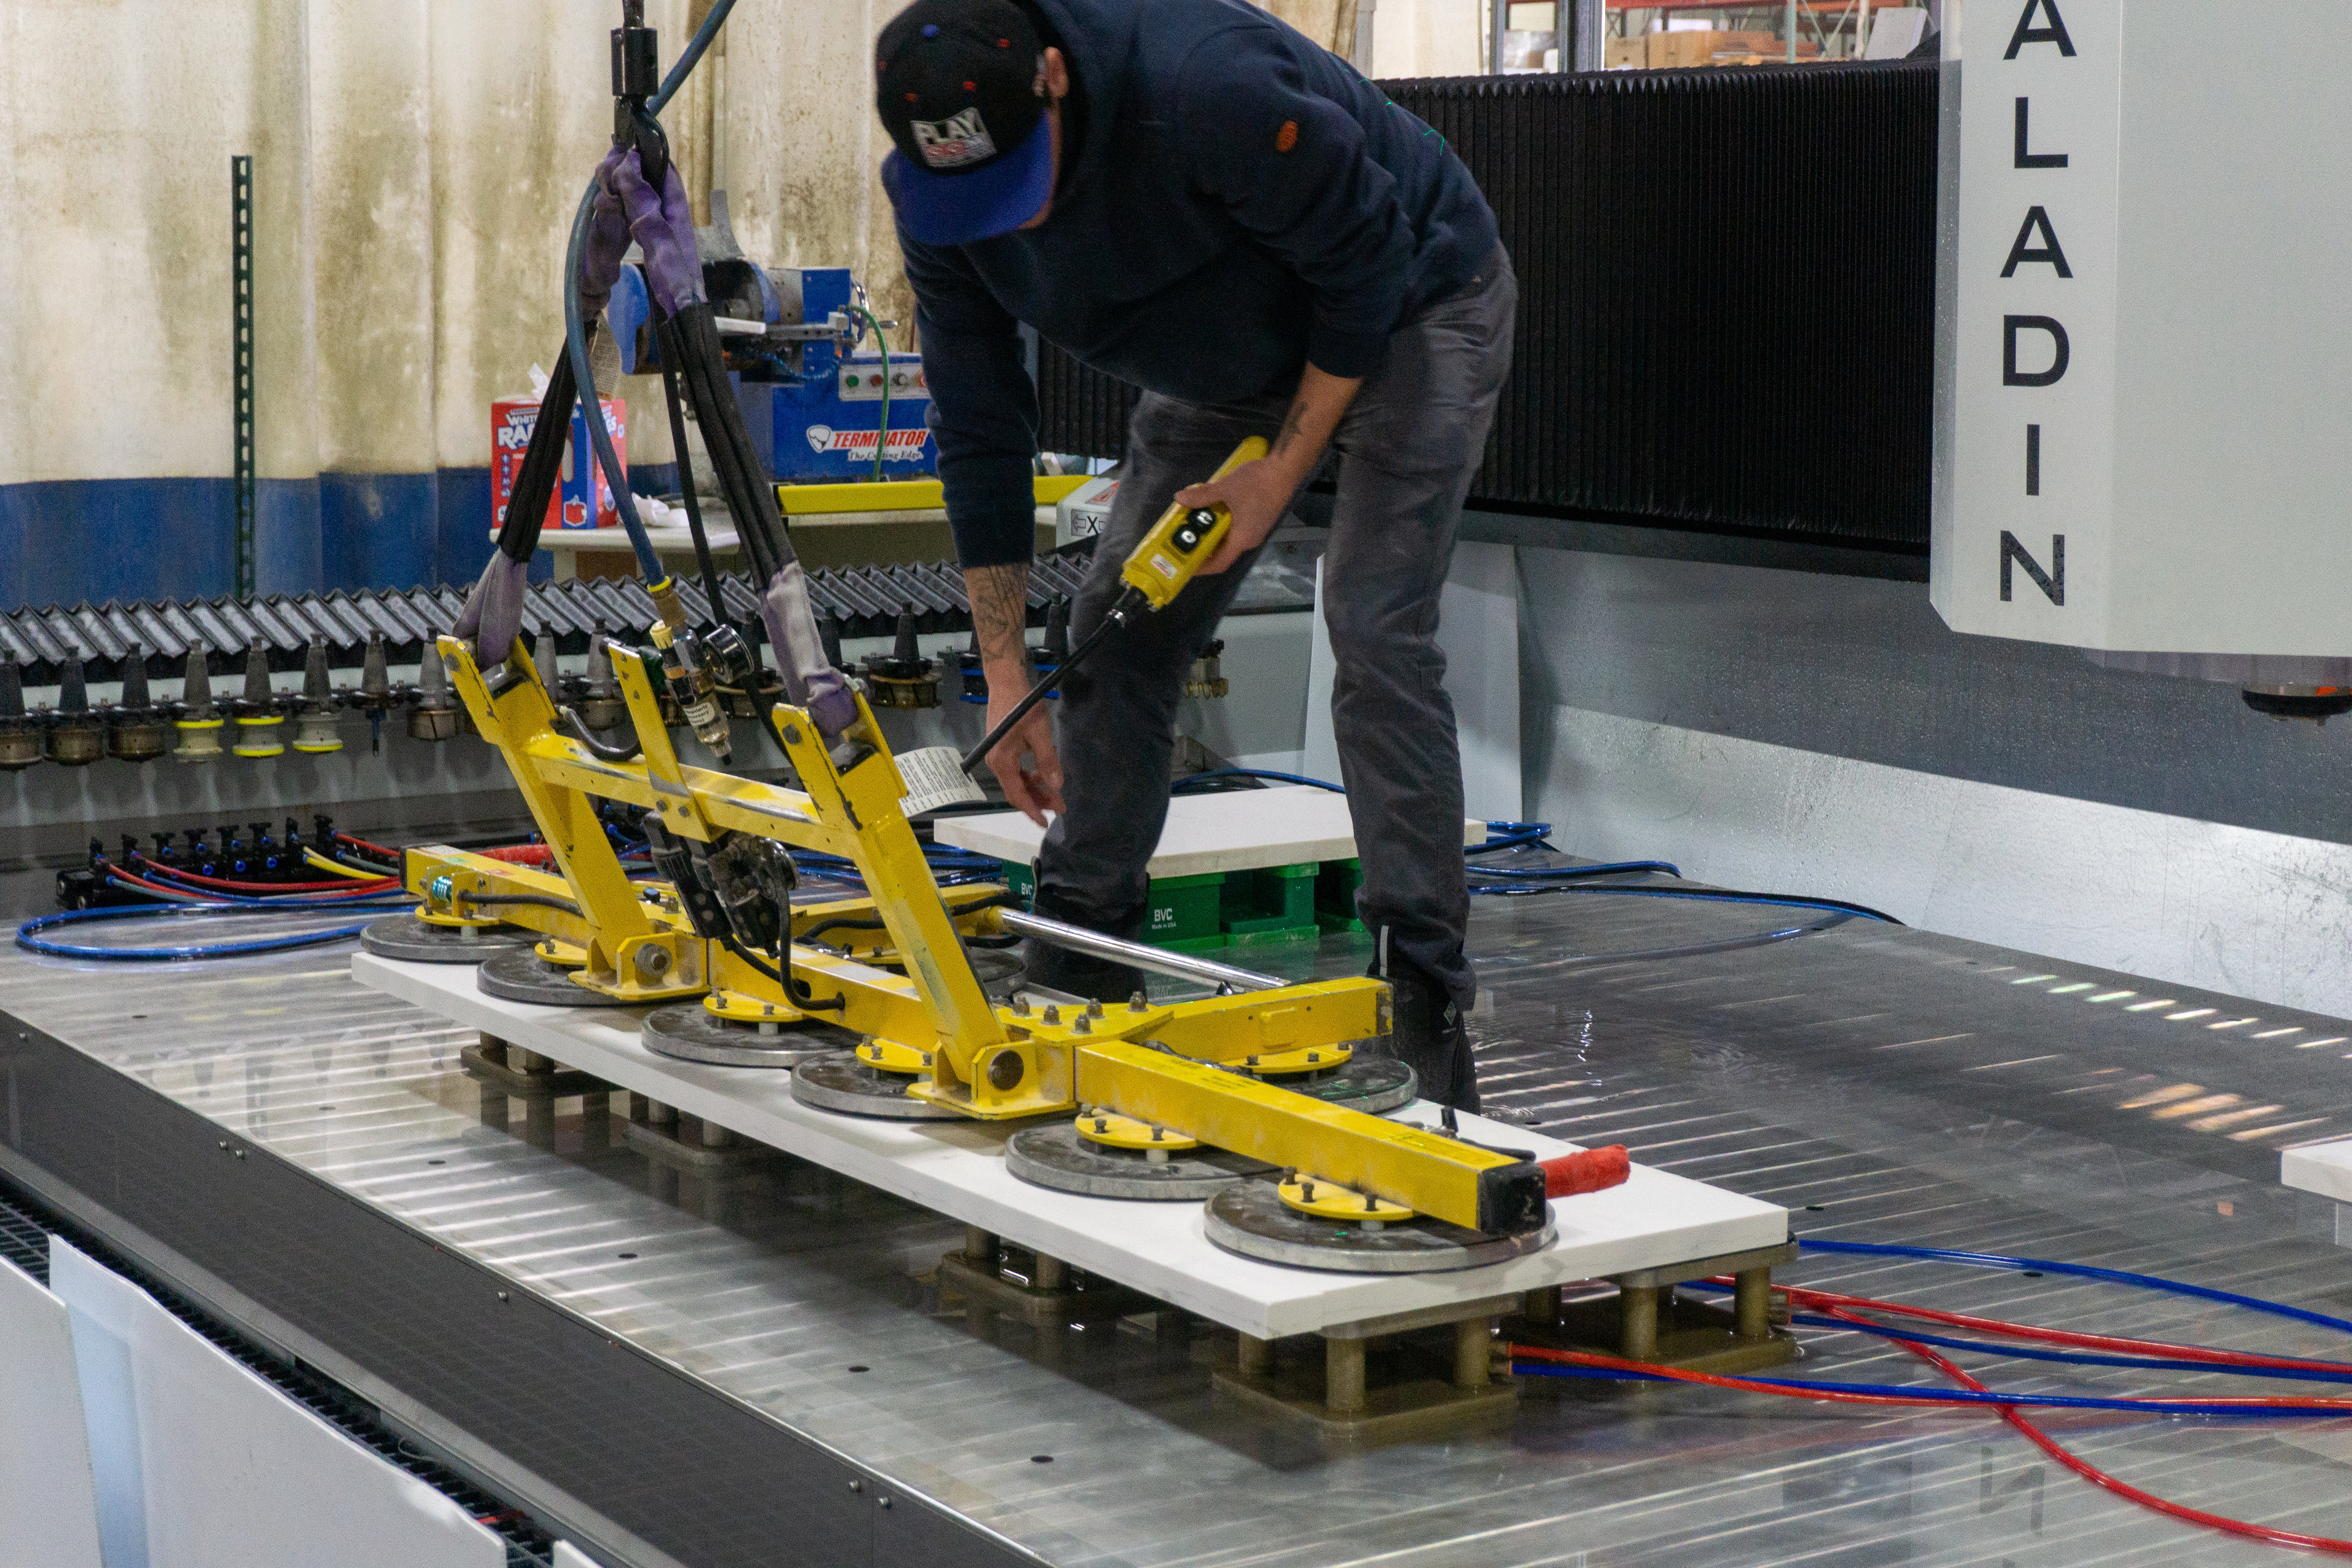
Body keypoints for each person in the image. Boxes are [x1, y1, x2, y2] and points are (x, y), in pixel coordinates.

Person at [873, 0, 1513, 1109]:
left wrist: (1283, 472)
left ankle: (1420, 989)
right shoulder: (940, 205)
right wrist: (1008, 679)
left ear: (1059, 80)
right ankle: (1083, 948)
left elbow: (1366, 270)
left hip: (1415, 305)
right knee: (1111, 636)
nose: (1002, 225)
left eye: (1017, 179)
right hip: (1227, 349)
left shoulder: (1205, 90)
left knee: (1372, 628)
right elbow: (981, 427)